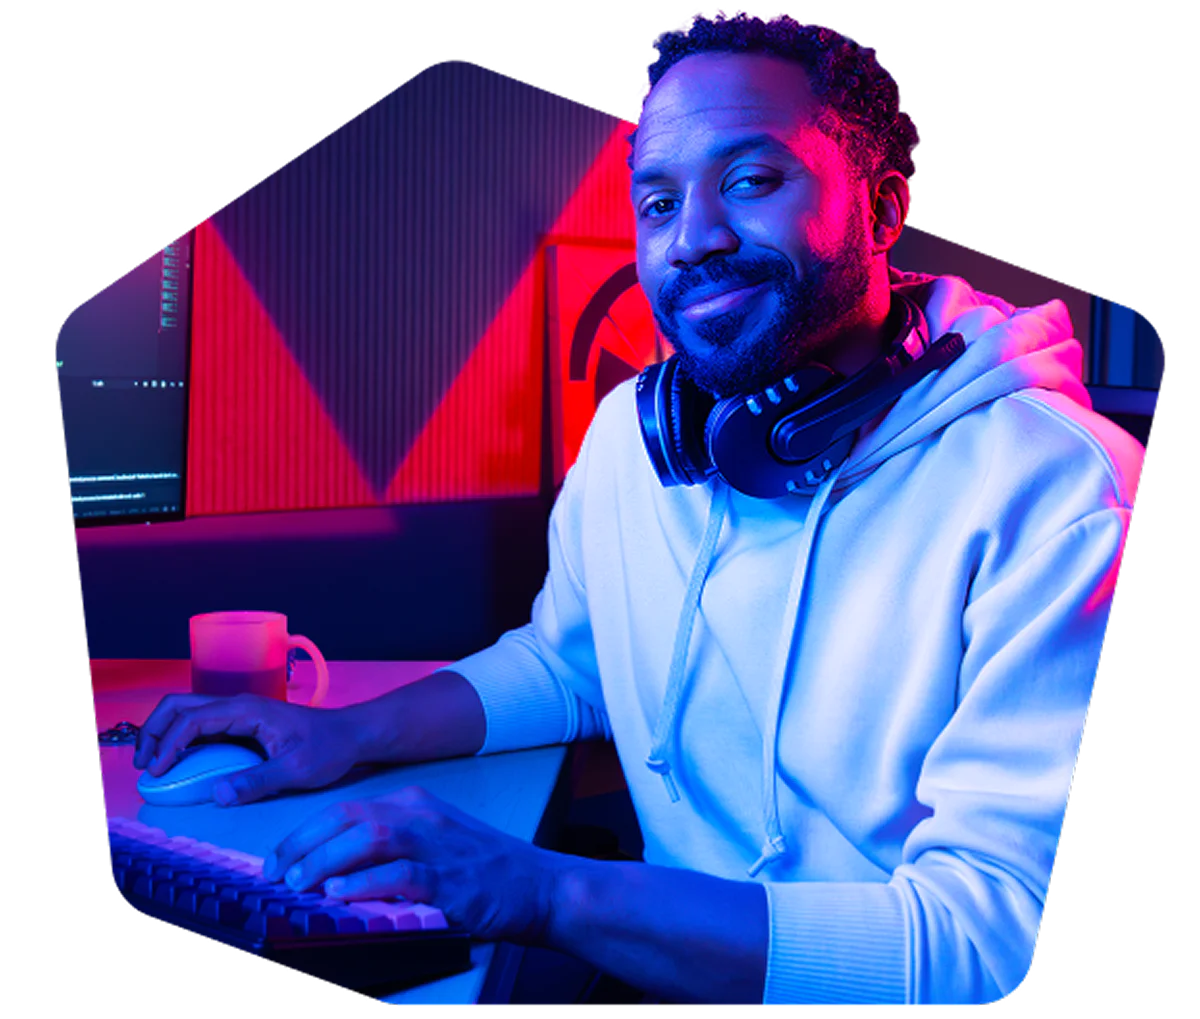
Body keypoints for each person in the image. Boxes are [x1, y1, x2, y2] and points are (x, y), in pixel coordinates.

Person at [130, 11, 1146, 1006]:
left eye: (750, 180)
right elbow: (568, 663)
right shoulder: (633, 432)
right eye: (657, 202)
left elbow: (995, 944)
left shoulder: (1059, 492)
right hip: (657, 959)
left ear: (880, 212)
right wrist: (348, 733)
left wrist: (548, 888)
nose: (693, 238)